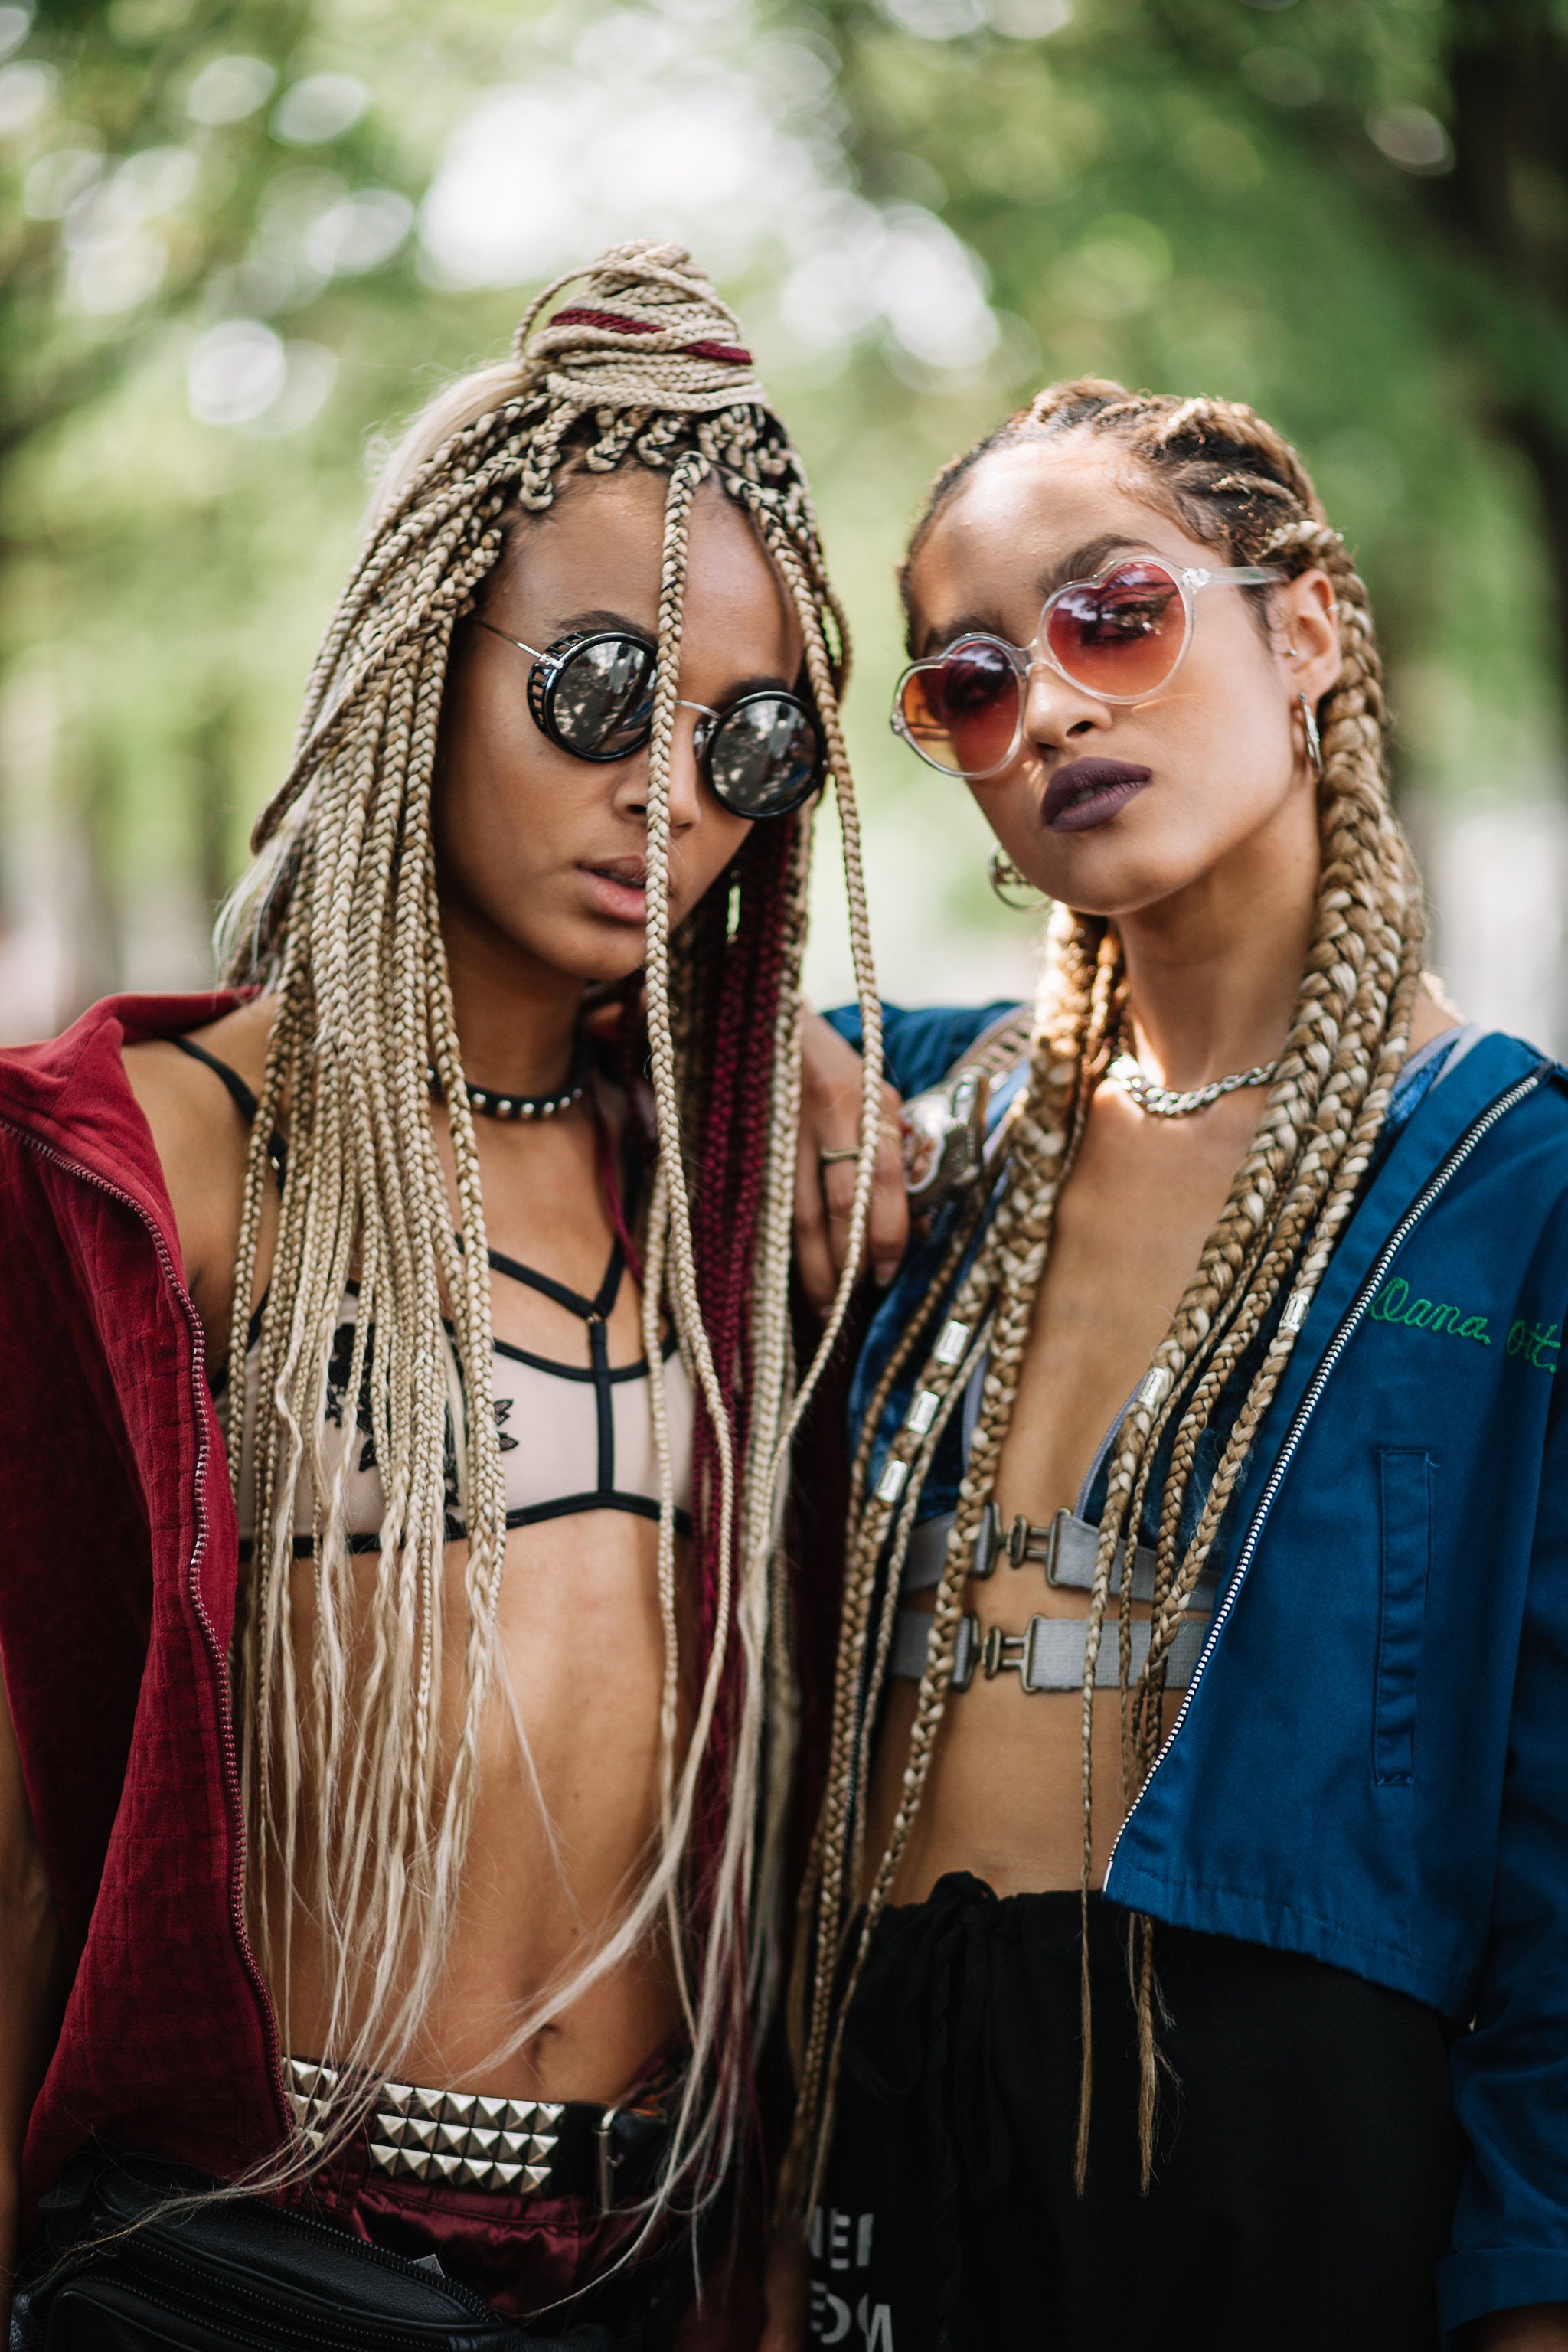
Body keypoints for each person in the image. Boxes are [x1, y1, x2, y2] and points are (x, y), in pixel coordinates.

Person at [0, 241, 888, 2347]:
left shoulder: (733, 1193)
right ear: (422, 658)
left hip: (641, 2265)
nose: (665, 789)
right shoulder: (151, 1158)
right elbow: (29, 1826)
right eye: (596, 691)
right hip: (239, 2261)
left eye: (746, 743)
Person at [779, 380, 1568, 2350]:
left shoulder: (1507, 1189)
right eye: (965, 682)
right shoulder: (907, 1127)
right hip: (891, 2102)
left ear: (1300, 631)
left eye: (1108, 616)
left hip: (1278, 2145)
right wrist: (742, 1044)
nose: (1041, 708)